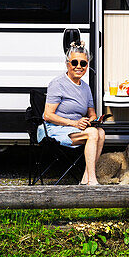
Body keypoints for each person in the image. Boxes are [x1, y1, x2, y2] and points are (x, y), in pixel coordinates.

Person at [42, 43, 106, 185]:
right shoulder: (57, 84)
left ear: (87, 65)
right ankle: (92, 180)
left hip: (76, 129)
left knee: (100, 132)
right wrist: (75, 123)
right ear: (67, 64)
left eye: (83, 63)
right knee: (93, 134)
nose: (79, 66)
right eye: (75, 62)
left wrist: (93, 121)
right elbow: (48, 115)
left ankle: (85, 178)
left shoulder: (85, 87)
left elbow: (92, 113)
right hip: (56, 129)